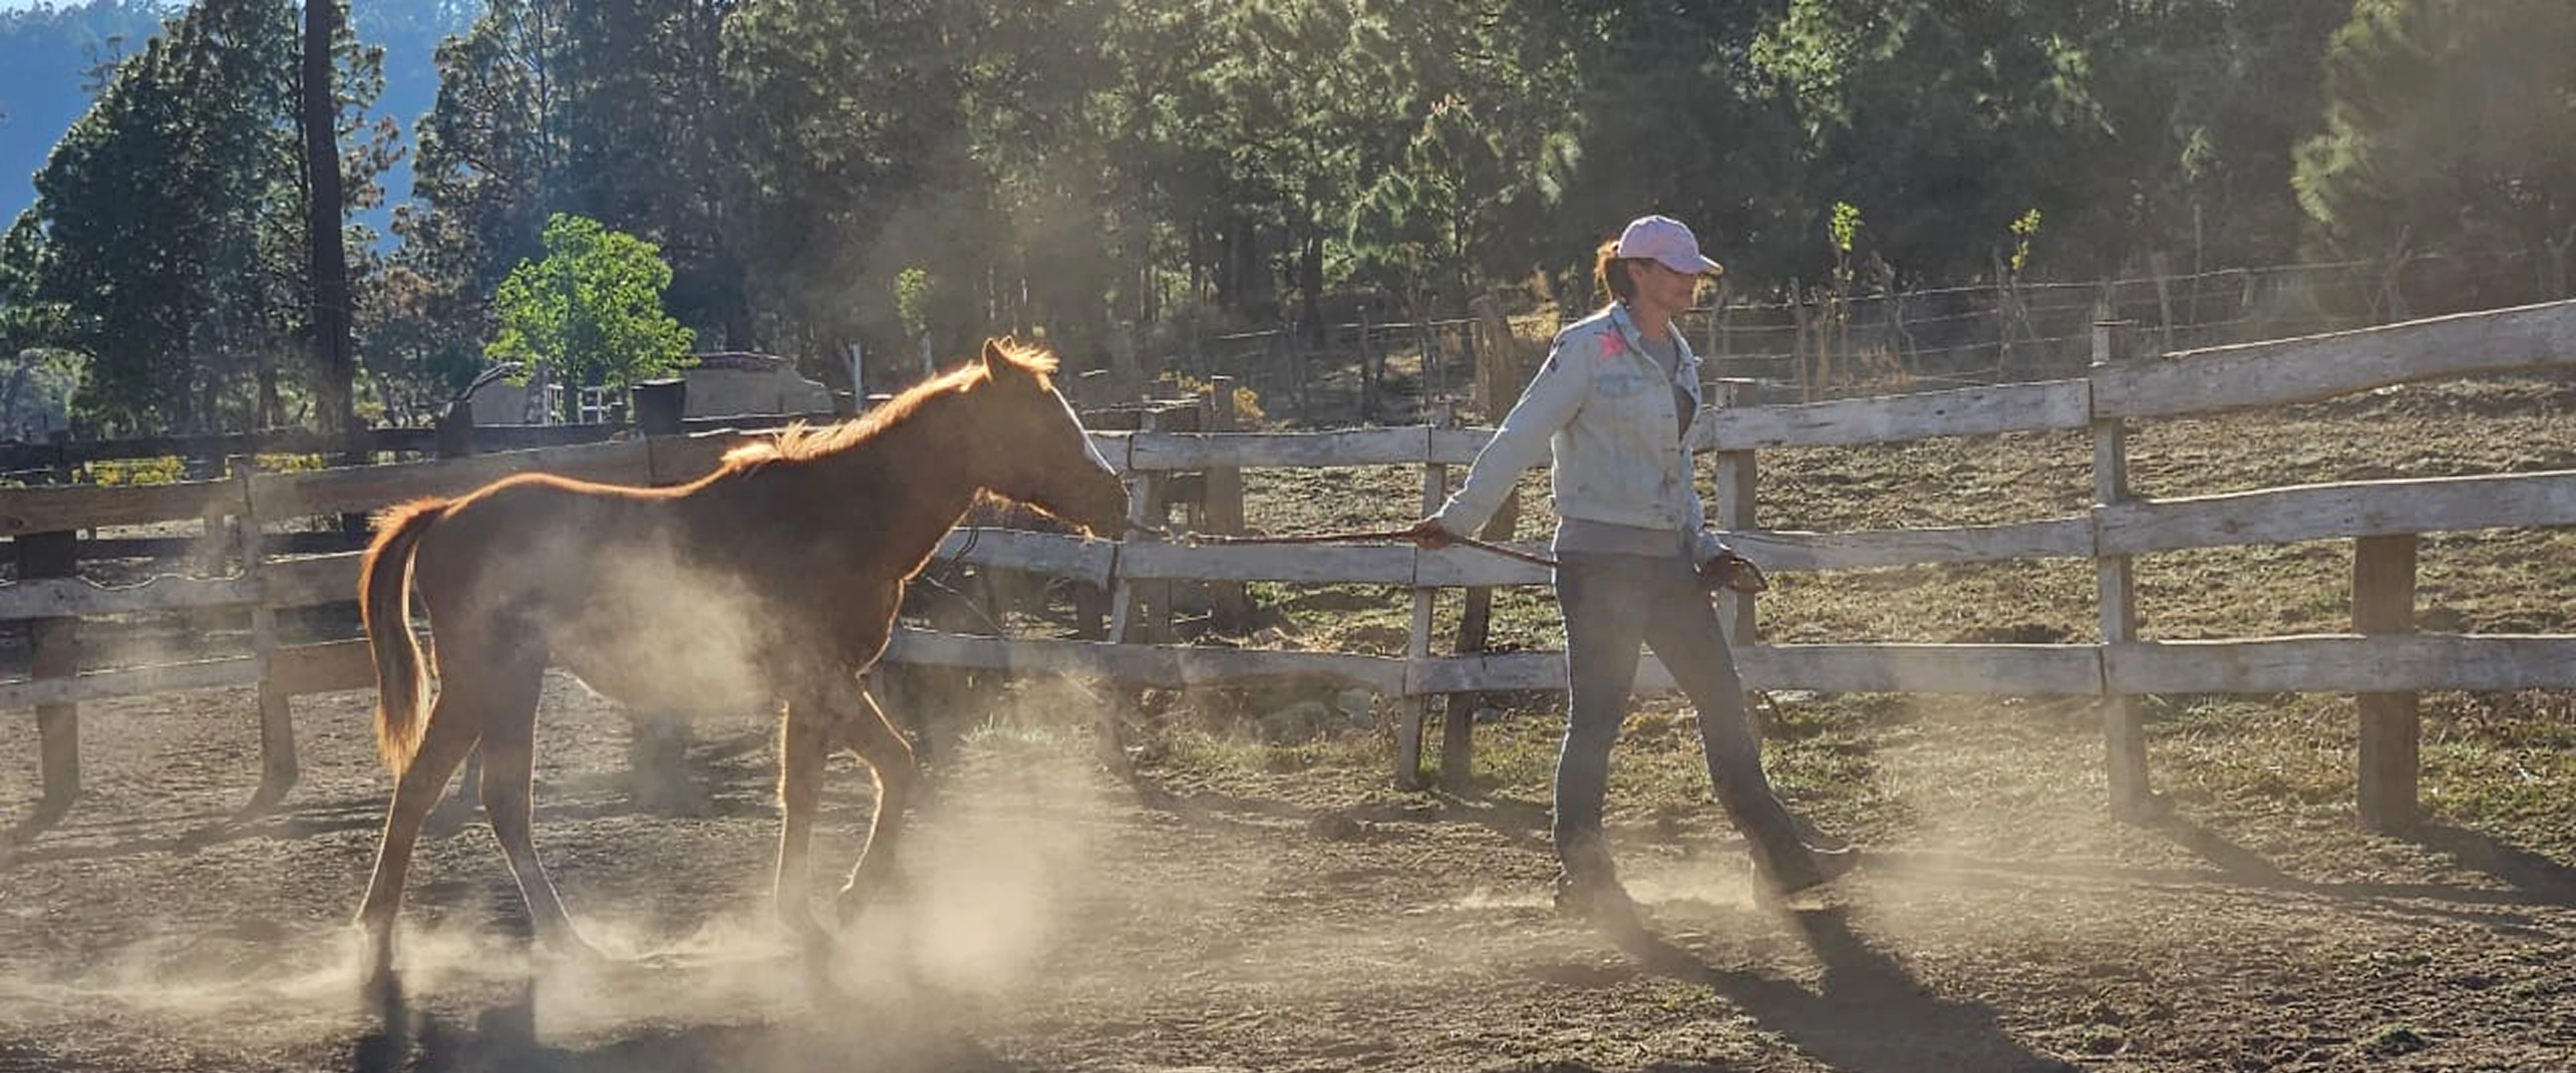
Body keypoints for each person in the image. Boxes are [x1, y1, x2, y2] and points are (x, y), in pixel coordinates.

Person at [1407, 213, 1854, 923]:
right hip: (1599, 560)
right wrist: (1460, 519)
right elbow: (1522, 432)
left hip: (1667, 561)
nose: (1691, 283)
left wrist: (1704, 546)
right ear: (1638, 273)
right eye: (1677, 271)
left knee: (1722, 701)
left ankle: (1778, 859)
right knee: (1599, 717)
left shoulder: (1679, 359)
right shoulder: (1586, 349)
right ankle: (1585, 874)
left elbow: (1673, 470)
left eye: (1693, 273)